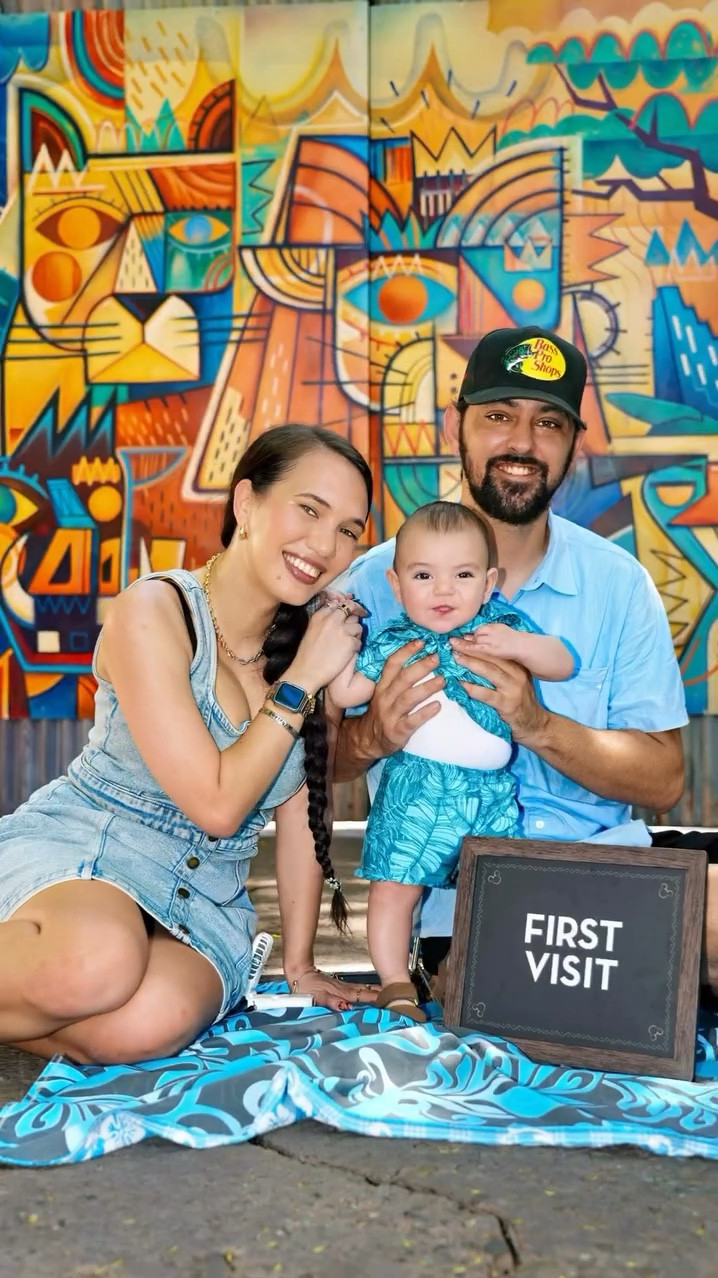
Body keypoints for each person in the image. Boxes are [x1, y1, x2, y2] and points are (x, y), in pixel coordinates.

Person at [333, 324, 701, 986]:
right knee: (503, 989)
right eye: (499, 416)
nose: (522, 444)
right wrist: (370, 736)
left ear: (573, 444)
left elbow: (665, 779)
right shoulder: (372, 583)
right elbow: (309, 762)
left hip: (606, 877)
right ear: (459, 426)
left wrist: (536, 723)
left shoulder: (617, 584)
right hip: (458, 894)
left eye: (549, 423)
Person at [0, 424, 379, 1066]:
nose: (325, 545)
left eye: (348, 529)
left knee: (149, 1024)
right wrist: (300, 684)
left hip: (207, 896)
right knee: (100, 964)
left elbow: (300, 819)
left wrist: (300, 964)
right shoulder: (157, 610)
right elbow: (216, 804)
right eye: (309, 510)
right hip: (98, 846)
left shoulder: (310, 644)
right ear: (246, 504)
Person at [330, 499, 573, 1019]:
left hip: (488, 795)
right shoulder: (395, 640)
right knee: (395, 888)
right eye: (423, 575)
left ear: (488, 584)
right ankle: (395, 980)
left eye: (462, 574)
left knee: (496, 888)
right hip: (415, 789)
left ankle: (499, 975)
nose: (444, 590)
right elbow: (349, 688)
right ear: (396, 586)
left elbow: (561, 662)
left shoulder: (500, 626)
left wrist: (520, 644)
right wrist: (342, 643)